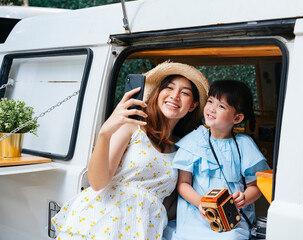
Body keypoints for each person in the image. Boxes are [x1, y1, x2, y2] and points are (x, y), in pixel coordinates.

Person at [51, 61, 210, 240]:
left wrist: (203, 209)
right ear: (158, 94)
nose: (174, 96)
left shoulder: (182, 147)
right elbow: (97, 183)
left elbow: (170, 205)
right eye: (169, 88)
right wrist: (105, 132)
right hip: (102, 221)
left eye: (185, 92)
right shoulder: (132, 128)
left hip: (144, 228)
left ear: (193, 105)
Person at [171, 80, 270, 240]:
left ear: (237, 118)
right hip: (196, 215)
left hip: (231, 219)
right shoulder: (194, 141)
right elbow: (183, 184)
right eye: (210, 101)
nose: (211, 109)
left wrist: (244, 198)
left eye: (221, 106)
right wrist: (200, 203)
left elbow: (255, 186)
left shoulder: (244, 145)